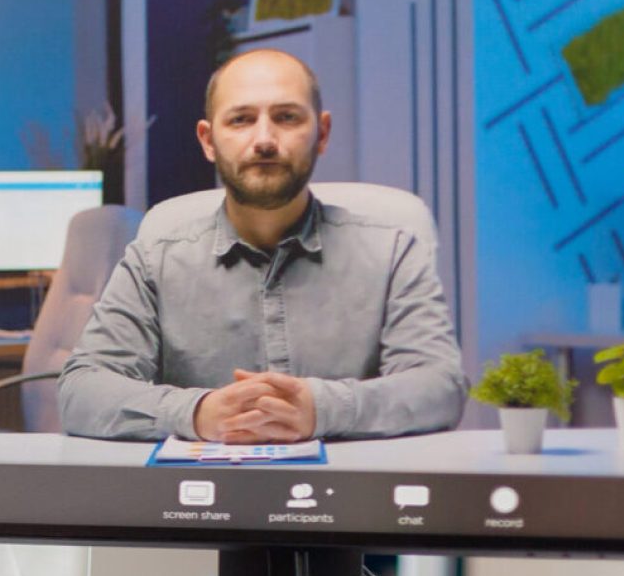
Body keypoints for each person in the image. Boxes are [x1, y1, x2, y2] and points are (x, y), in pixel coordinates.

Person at [59, 49, 467, 443]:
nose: (265, 139)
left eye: (287, 117)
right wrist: (197, 414)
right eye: (241, 119)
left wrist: (323, 408)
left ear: (321, 133)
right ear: (208, 140)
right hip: (199, 502)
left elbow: (440, 386)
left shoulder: (392, 251)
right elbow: (82, 390)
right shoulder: (155, 258)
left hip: (353, 501)